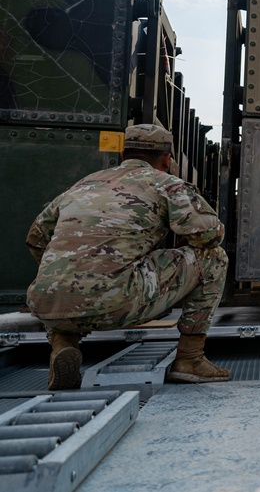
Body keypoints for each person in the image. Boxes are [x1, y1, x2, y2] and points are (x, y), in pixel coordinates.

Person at [25, 123, 230, 390]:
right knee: (214, 257)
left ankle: (63, 343)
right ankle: (190, 359)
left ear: (123, 155)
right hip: (116, 302)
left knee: (64, 274)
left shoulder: (84, 184)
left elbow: (36, 239)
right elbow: (209, 237)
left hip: (46, 304)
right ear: (166, 160)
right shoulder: (168, 184)